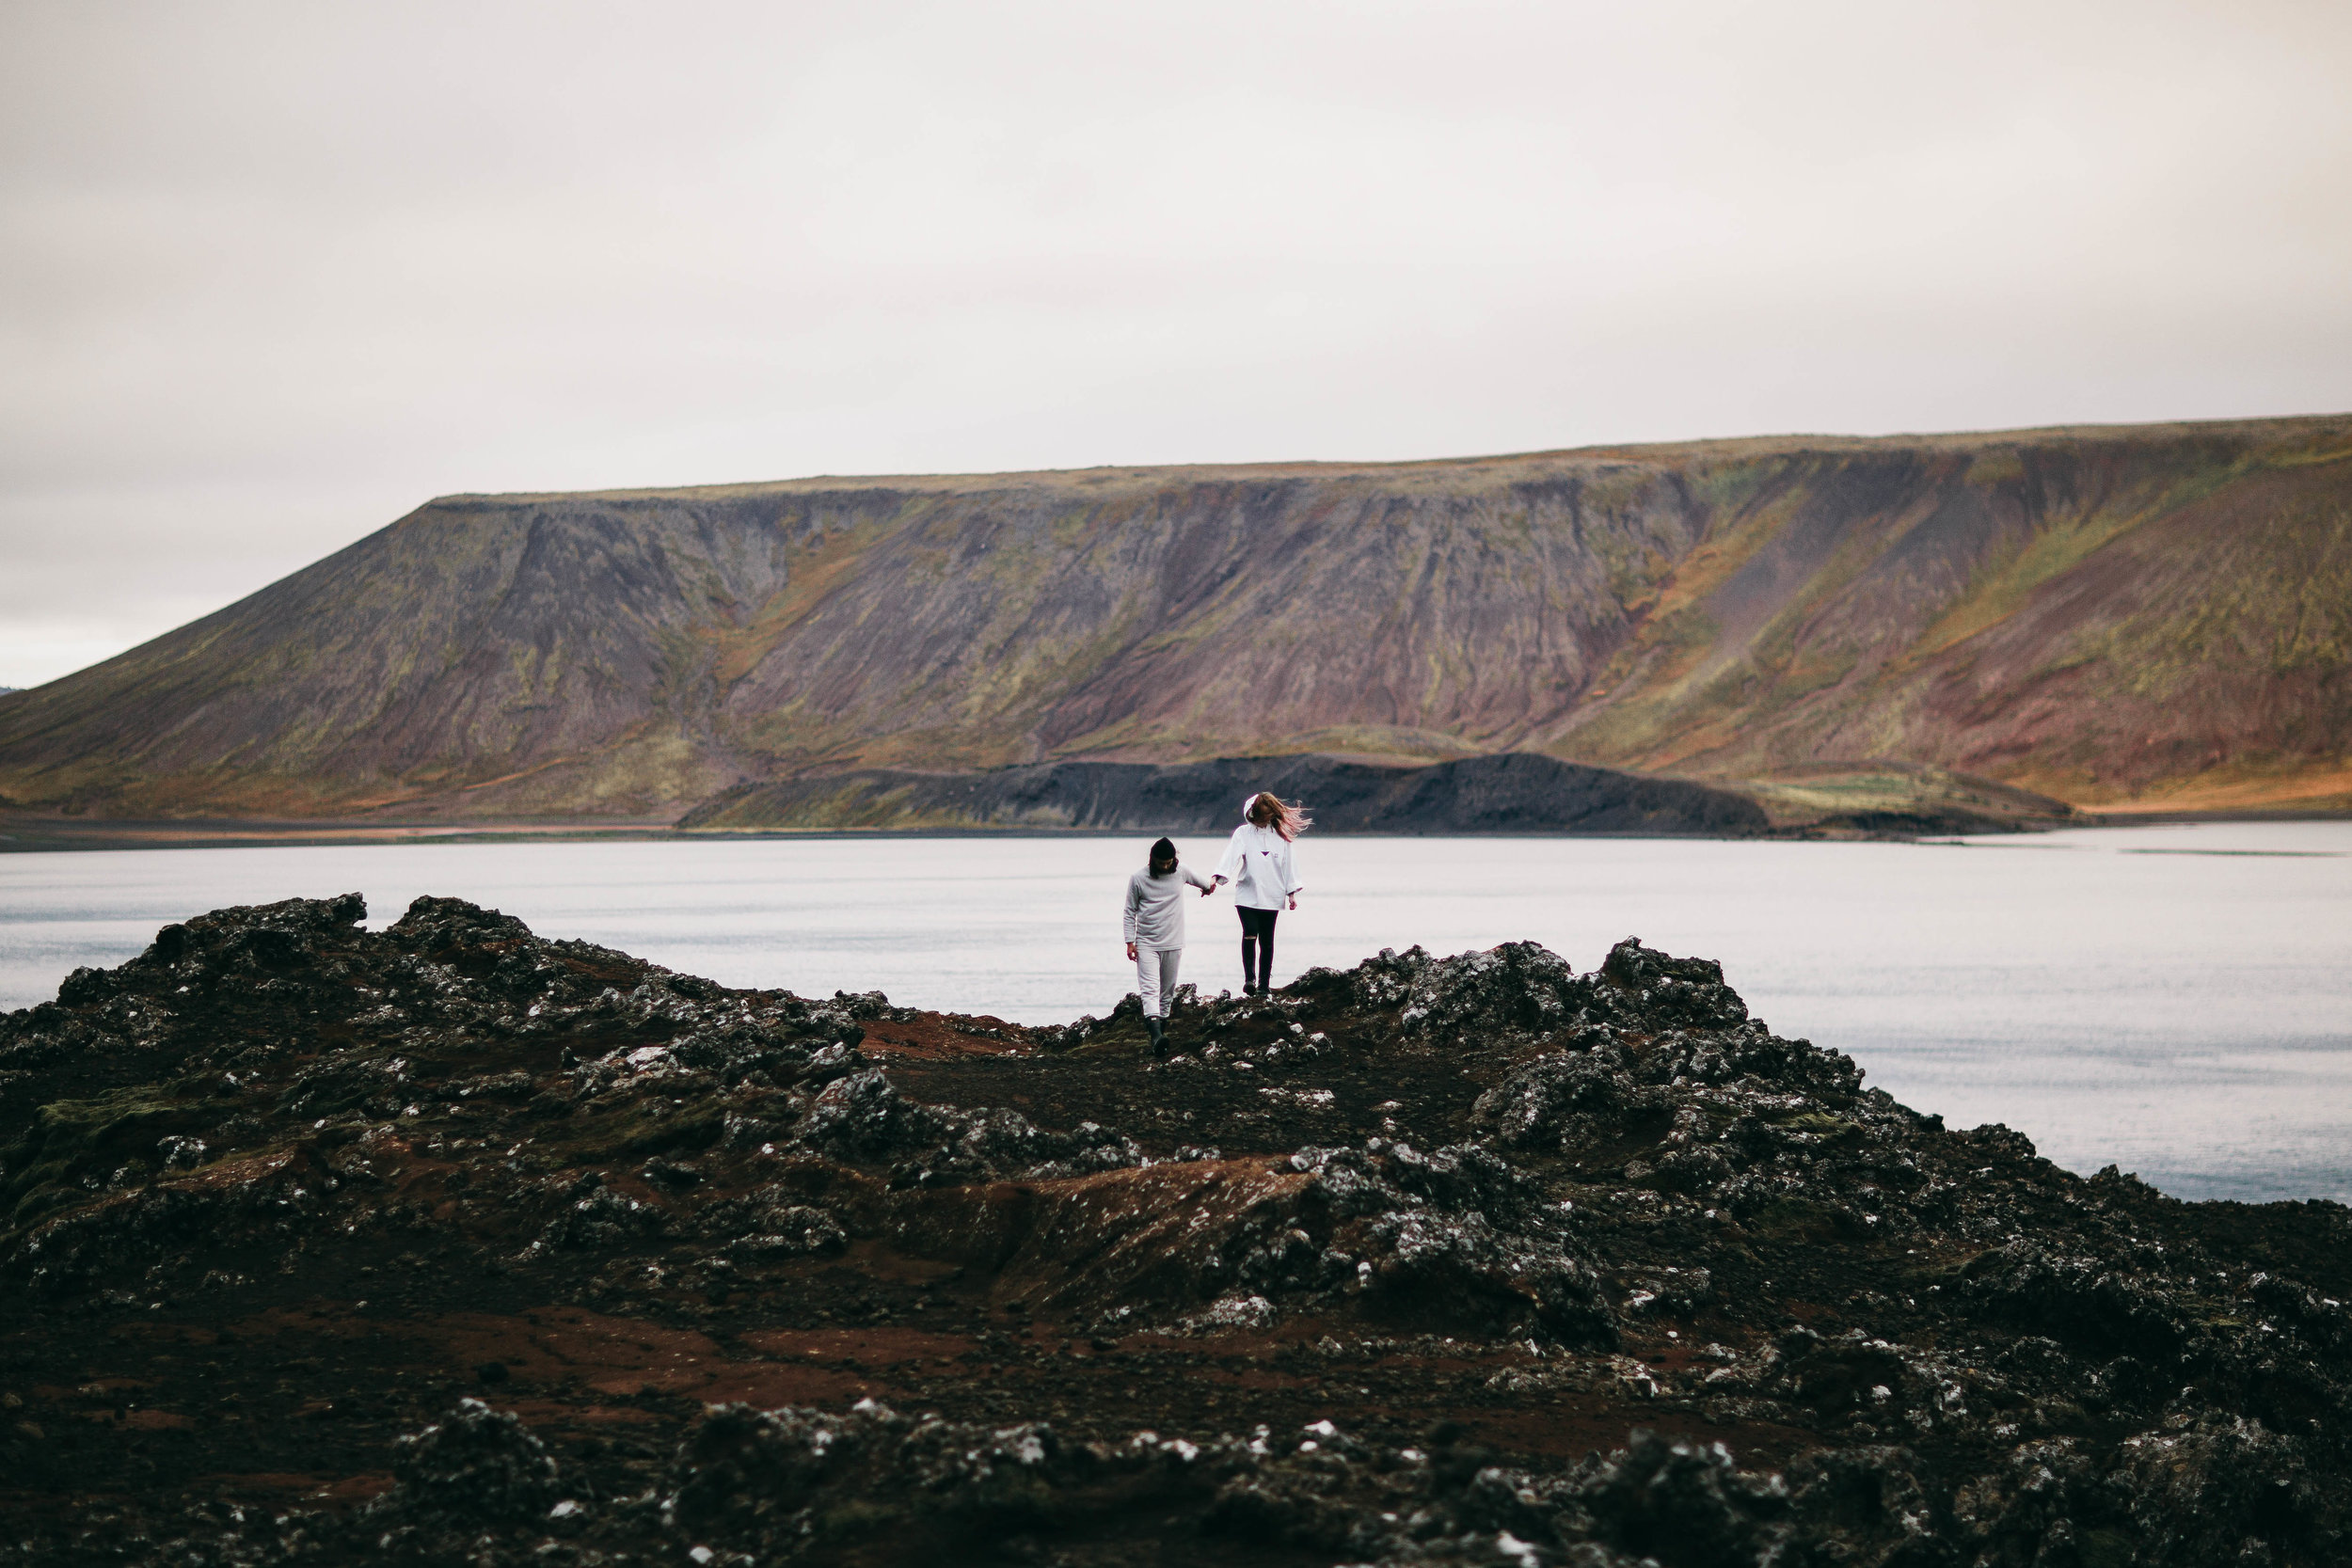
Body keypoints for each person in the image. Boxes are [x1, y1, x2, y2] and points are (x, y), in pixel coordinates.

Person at [1122, 835, 1216, 1056]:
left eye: (1168, 862)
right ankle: (1155, 1036)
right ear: (1152, 859)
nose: (1165, 866)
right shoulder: (1138, 878)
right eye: (1161, 862)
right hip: (1146, 943)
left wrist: (1210, 886)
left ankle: (1159, 1040)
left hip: (1173, 942)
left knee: (1167, 991)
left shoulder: (1181, 871)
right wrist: (1129, 942)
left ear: (1174, 859)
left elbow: (1205, 884)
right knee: (1150, 989)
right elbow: (1129, 911)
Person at [1213, 791, 1308, 995]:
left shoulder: (1281, 836)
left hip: (1272, 896)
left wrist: (1292, 892)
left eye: (1265, 817)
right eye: (1257, 817)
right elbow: (1231, 856)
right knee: (1250, 932)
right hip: (1247, 894)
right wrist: (1217, 877)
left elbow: (1289, 865)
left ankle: (1264, 986)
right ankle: (1249, 979)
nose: (1260, 821)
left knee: (1267, 941)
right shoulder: (1243, 833)